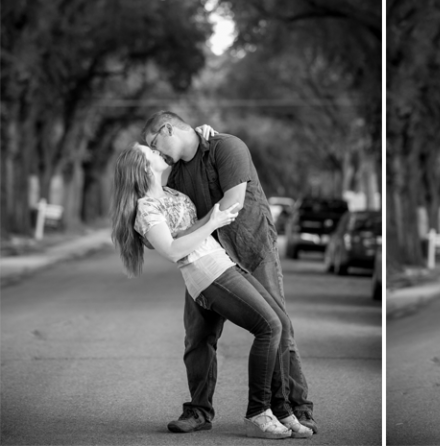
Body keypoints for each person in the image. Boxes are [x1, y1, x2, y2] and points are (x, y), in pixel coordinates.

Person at [111, 144, 312, 439]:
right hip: (206, 273)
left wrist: (207, 135)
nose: (157, 152)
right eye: (150, 152)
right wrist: (214, 222)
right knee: (268, 327)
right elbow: (173, 249)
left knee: (280, 323)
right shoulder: (145, 208)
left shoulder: (174, 195)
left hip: (225, 262)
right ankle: (258, 412)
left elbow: (187, 227)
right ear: (143, 167)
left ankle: (283, 411)